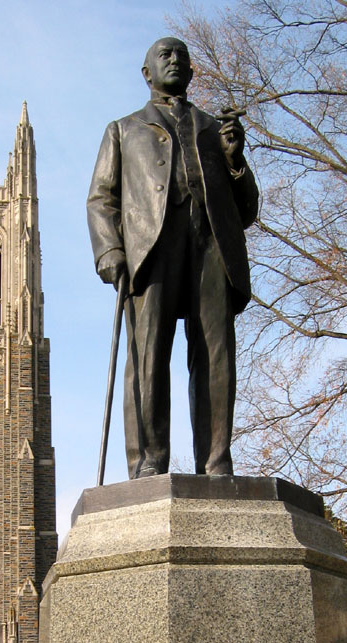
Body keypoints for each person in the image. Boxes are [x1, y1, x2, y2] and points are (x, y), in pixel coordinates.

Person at [87, 37, 259, 478]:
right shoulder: (123, 130)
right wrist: (110, 249)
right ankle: (149, 460)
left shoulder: (213, 131)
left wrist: (235, 161)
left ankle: (216, 460)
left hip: (210, 247)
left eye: (181, 55)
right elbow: (101, 199)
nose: (175, 60)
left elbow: (247, 211)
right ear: (146, 73)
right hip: (151, 249)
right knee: (148, 354)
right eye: (164, 54)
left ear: (192, 70)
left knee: (215, 354)